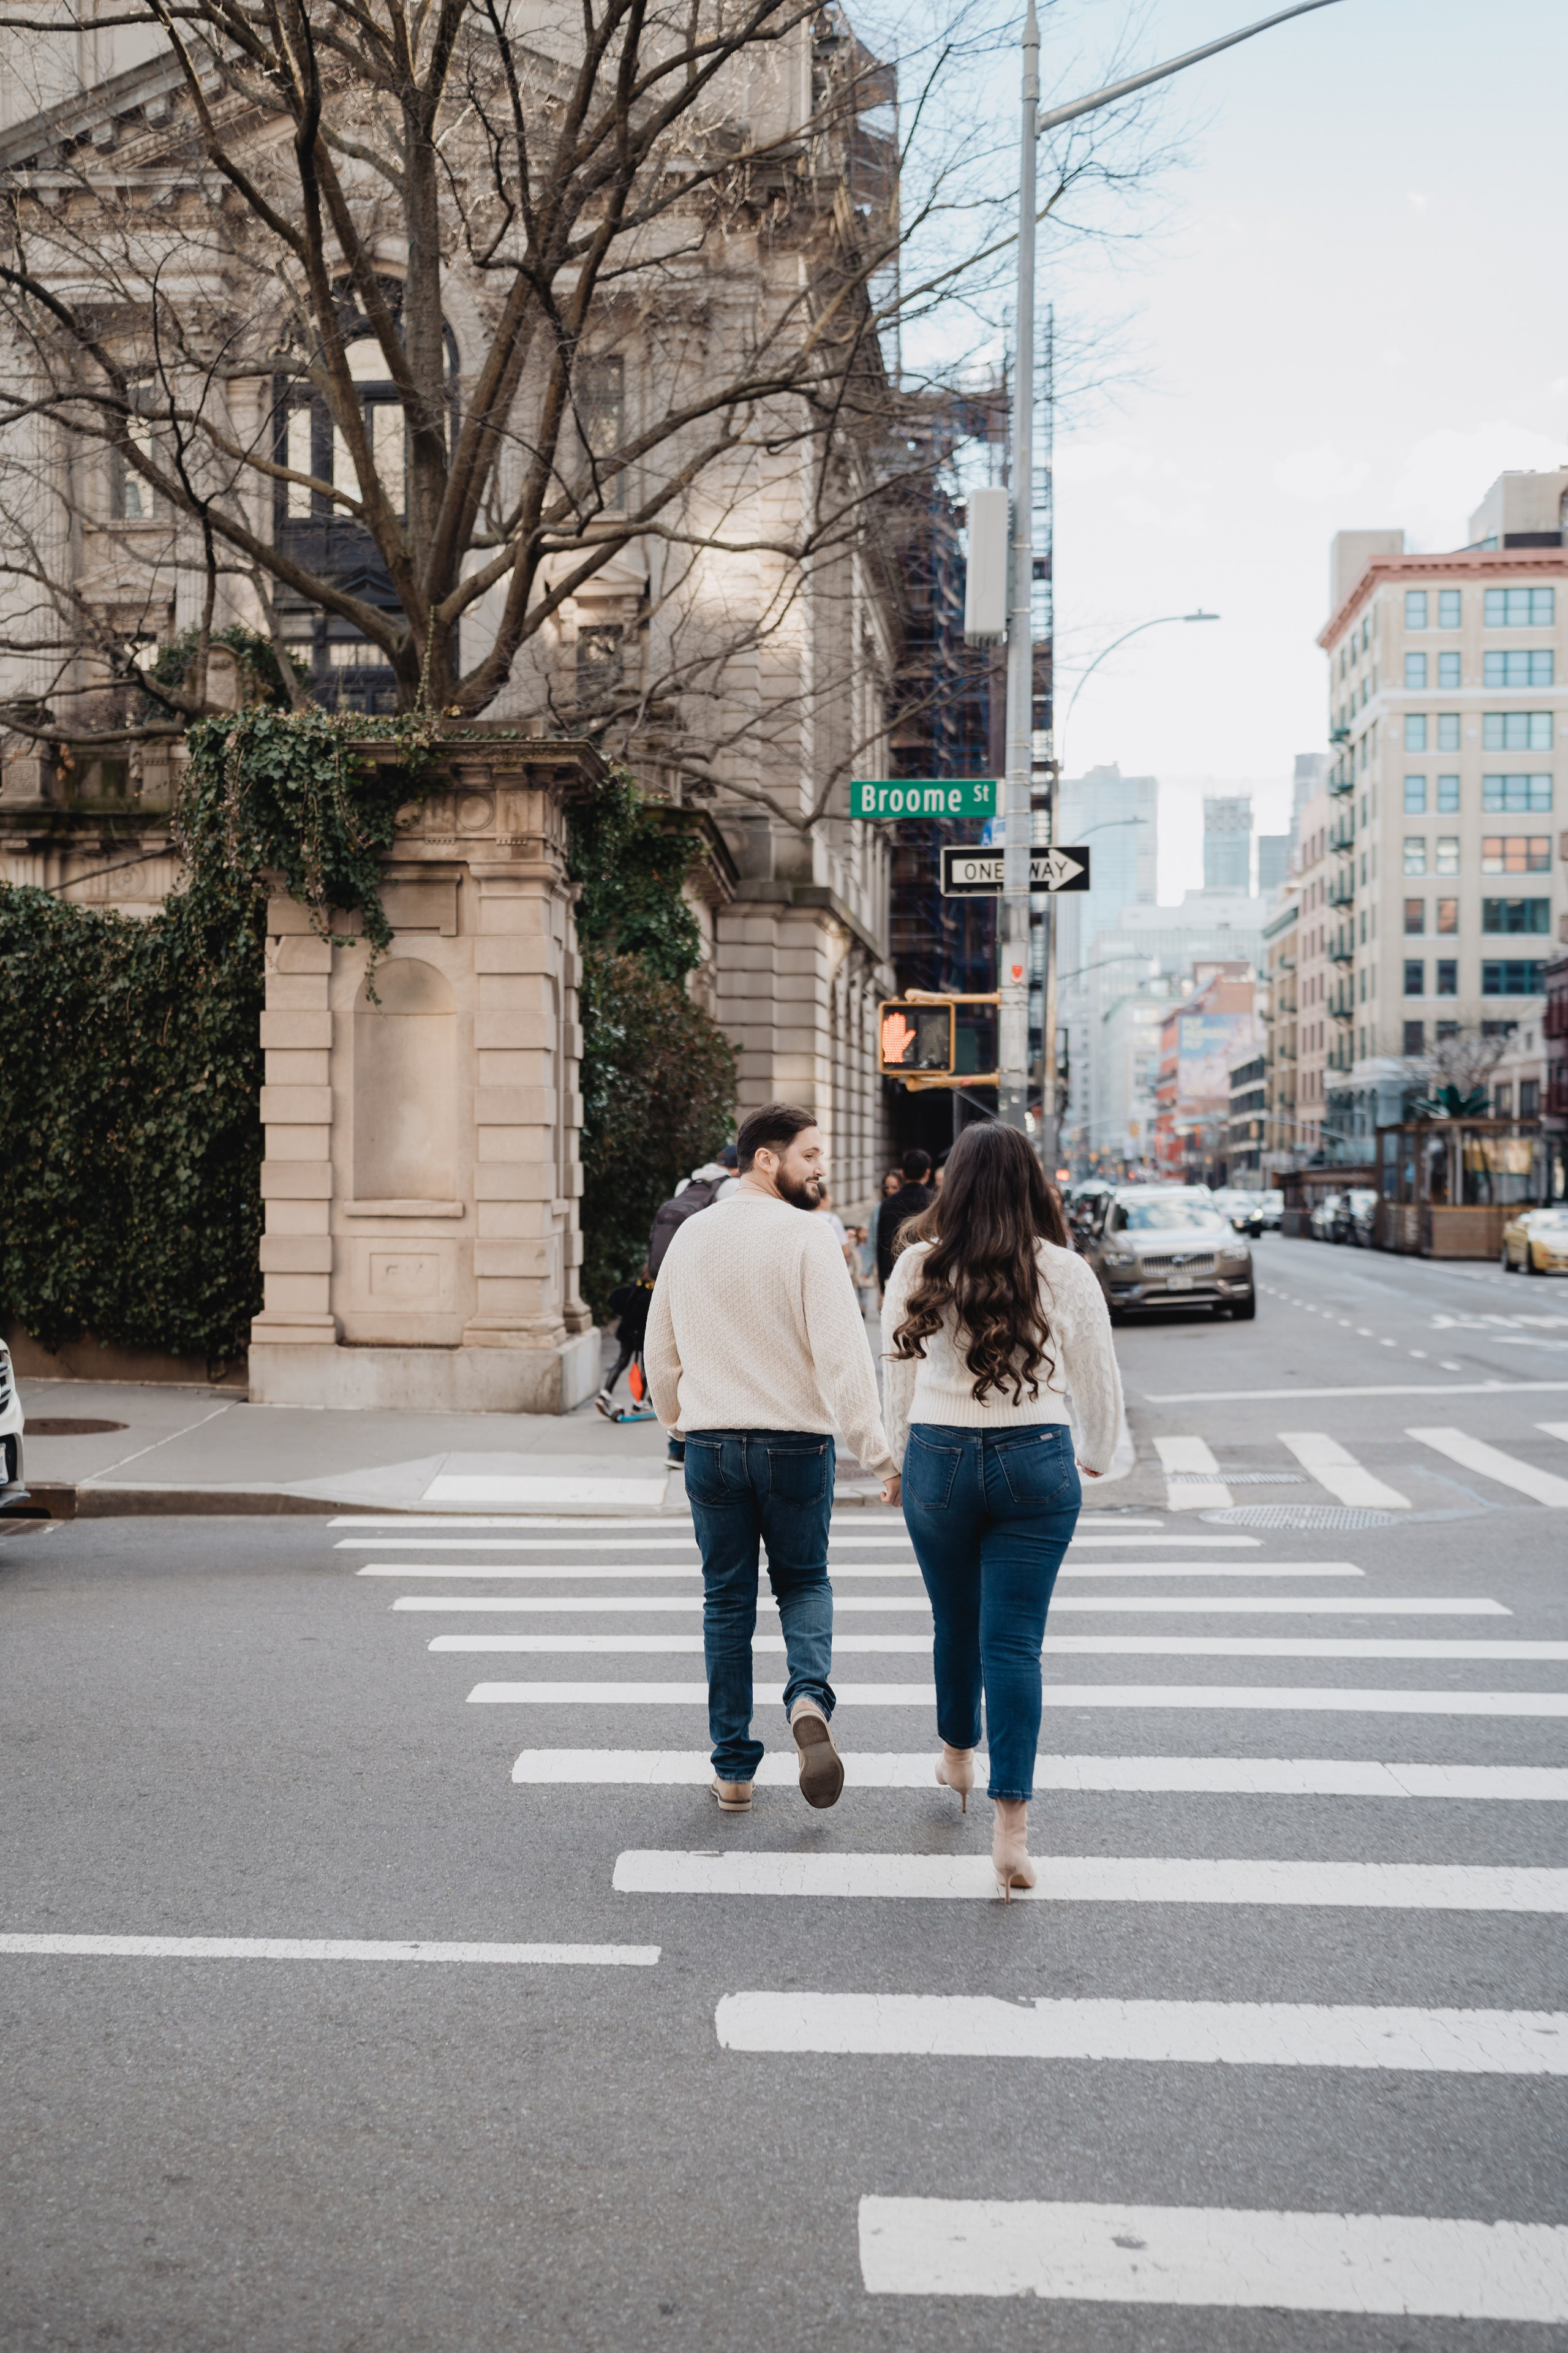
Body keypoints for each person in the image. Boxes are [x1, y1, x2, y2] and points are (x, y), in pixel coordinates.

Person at [881, 1124, 1122, 1897]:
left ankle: (956, 1750)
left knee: (954, 1622)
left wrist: (893, 1458)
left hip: (940, 1457)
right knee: (1015, 1646)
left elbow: (895, 1371)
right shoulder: (1065, 1270)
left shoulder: (919, 1264)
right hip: (1036, 1457)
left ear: (952, 1183)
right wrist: (1099, 1449)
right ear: (1031, 1186)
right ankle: (1011, 1829)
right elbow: (1099, 1378)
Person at [645, 1101, 897, 1814]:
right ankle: (808, 1698)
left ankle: (732, 1770)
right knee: (805, 1582)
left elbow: (658, 1354)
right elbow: (843, 1359)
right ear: (766, 1158)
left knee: (726, 1603)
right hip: (796, 1444)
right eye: (811, 1155)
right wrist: (879, 1457)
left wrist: (679, 1422)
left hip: (713, 1446)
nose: (821, 1168)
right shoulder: (807, 1236)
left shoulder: (692, 1234)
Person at [595, 1268, 654, 1418]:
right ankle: (639, 1403)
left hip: (627, 1329)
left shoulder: (638, 1284)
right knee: (645, 1367)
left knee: (622, 1361)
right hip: (641, 1332)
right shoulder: (651, 1292)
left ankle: (605, 1395)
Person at [875, 1147, 936, 1293]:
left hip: (896, 1274)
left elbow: (882, 1244)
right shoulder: (935, 1202)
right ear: (927, 1173)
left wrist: (882, 1284)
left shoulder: (888, 1204)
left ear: (902, 1173)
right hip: (928, 1276)